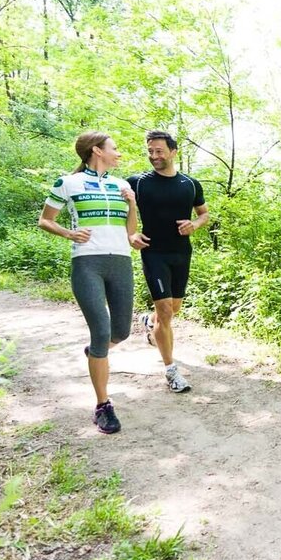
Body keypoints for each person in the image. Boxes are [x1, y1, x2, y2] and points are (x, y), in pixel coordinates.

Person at [38, 131, 137, 434]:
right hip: (87, 263)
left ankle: (96, 352)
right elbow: (46, 219)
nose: (118, 153)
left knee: (121, 331)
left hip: (120, 261)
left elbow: (131, 231)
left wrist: (132, 203)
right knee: (101, 330)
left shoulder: (122, 185)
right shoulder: (68, 183)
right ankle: (103, 406)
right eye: (114, 148)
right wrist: (69, 234)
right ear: (97, 150)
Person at [126, 130, 209, 393]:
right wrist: (130, 234)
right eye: (150, 151)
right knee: (164, 311)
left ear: (173, 152)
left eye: (159, 151)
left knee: (173, 309)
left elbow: (204, 214)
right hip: (153, 252)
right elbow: (118, 213)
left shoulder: (190, 184)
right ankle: (171, 371)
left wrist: (194, 224)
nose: (154, 156)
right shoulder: (136, 183)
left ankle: (150, 325)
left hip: (181, 252)